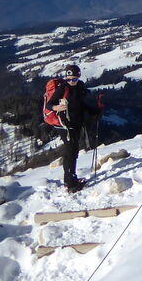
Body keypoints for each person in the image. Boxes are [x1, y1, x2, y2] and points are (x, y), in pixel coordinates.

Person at [45, 64, 101, 193]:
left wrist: (95, 110)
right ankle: (69, 184)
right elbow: (49, 104)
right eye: (69, 79)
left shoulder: (79, 88)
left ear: (79, 77)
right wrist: (56, 108)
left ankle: (72, 178)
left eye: (74, 79)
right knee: (70, 152)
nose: (71, 81)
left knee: (74, 151)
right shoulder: (62, 88)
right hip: (65, 125)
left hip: (75, 124)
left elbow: (81, 105)